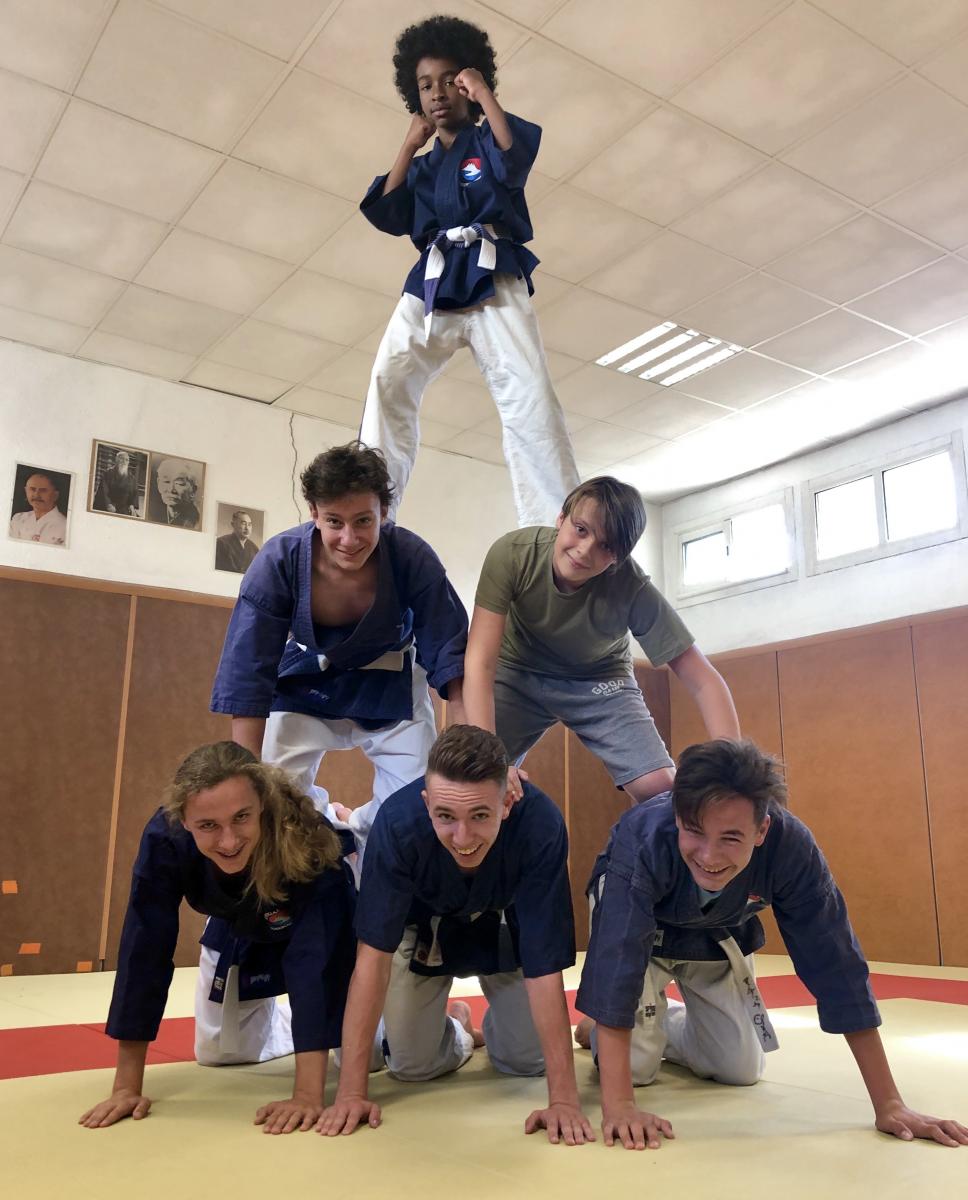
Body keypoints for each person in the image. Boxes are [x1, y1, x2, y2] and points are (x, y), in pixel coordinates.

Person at [575, 738, 968, 1151]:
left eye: (730, 838)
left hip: (718, 931)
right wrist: (619, 1106)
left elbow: (835, 962)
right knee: (635, 1070)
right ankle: (612, 1026)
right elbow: (617, 957)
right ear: (677, 816)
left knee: (738, 1068)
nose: (709, 856)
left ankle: (649, 1022)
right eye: (694, 831)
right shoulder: (643, 837)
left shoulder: (791, 848)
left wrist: (889, 1104)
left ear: (762, 829)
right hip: (641, 934)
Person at [316, 725, 594, 1146]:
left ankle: (497, 1030)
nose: (462, 838)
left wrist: (565, 1101)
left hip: (503, 923)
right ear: (426, 803)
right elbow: (372, 961)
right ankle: (459, 1028)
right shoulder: (397, 824)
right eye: (445, 816)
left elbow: (544, 966)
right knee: (411, 1067)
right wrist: (351, 1094)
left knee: (527, 1062)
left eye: (480, 815)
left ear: (506, 803)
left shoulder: (539, 824)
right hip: (422, 929)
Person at [359, 14, 578, 528]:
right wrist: (408, 145)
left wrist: (484, 95)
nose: (437, 94)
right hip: (433, 280)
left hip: (491, 270)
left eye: (449, 81)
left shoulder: (486, 142)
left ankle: (553, 527)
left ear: (469, 82)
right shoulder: (421, 166)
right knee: (388, 379)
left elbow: (514, 159)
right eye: (424, 86)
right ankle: (369, 509)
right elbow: (388, 211)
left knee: (529, 392)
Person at [79, 742, 357, 1133]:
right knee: (218, 1052)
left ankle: (351, 821)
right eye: (208, 826)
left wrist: (307, 1094)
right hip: (240, 922)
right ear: (183, 820)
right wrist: (126, 1087)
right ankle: (288, 1026)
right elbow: (145, 947)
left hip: (327, 924)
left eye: (241, 817)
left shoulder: (306, 838)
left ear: (262, 804)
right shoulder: (166, 839)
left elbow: (315, 958)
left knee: (369, 1059)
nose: (228, 841)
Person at [210, 441, 471, 845]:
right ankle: (328, 824)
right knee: (277, 805)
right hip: (305, 680)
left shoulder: (411, 556)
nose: (349, 539)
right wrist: (245, 778)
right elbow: (248, 672)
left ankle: (360, 826)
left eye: (363, 521)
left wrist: (470, 754)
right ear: (314, 513)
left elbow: (451, 657)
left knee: (417, 807)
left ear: (384, 512)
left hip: (391, 683)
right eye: (334, 521)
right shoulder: (278, 561)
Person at [463, 476, 739, 805]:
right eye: (580, 529)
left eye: (606, 546)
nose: (585, 550)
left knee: (661, 792)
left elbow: (702, 678)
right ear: (561, 518)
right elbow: (479, 661)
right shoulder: (513, 554)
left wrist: (732, 769)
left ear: (618, 558)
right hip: (516, 671)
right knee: (469, 773)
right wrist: (492, 760)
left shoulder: (631, 587)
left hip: (598, 679)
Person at [8, 471, 67, 545]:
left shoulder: (64, 525)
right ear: (26, 491)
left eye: (43, 490)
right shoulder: (18, 518)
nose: (36, 495)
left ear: (55, 495)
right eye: (32, 489)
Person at [147, 457, 201, 529]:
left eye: (179, 483)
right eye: (166, 481)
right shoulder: (151, 512)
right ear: (158, 484)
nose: (171, 489)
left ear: (193, 490)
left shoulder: (197, 522)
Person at [93, 449, 140, 516]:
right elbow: (103, 491)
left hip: (124, 507)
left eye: (126, 460)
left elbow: (134, 493)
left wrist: (132, 505)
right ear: (116, 460)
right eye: (122, 459)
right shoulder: (108, 473)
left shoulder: (131, 477)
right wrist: (108, 504)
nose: (124, 461)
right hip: (110, 505)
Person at [216, 510, 260, 574]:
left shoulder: (254, 549)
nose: (247, 528)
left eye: (249, 524)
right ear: (233, 524)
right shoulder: (221, 543)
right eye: (243, 524)